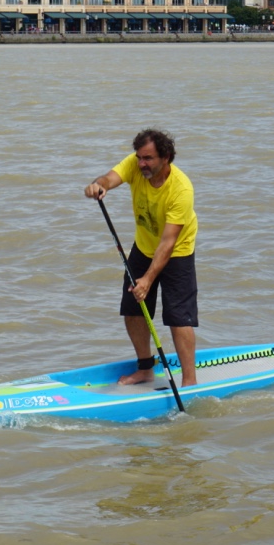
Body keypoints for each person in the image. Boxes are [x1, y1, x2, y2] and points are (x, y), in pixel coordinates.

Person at [84, 129, 199, 387]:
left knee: (178, 317)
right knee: (133, 310)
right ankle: (146, 369)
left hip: (177, 252)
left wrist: (147, 279)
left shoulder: (181, 189)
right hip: (144, 248)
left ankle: (189, 381)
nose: (141, 164)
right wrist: (98, 185)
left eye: (148, 158)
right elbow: (109, 178)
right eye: (139, 158)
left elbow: (168, 243)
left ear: (166, 157)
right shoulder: (135, 166)